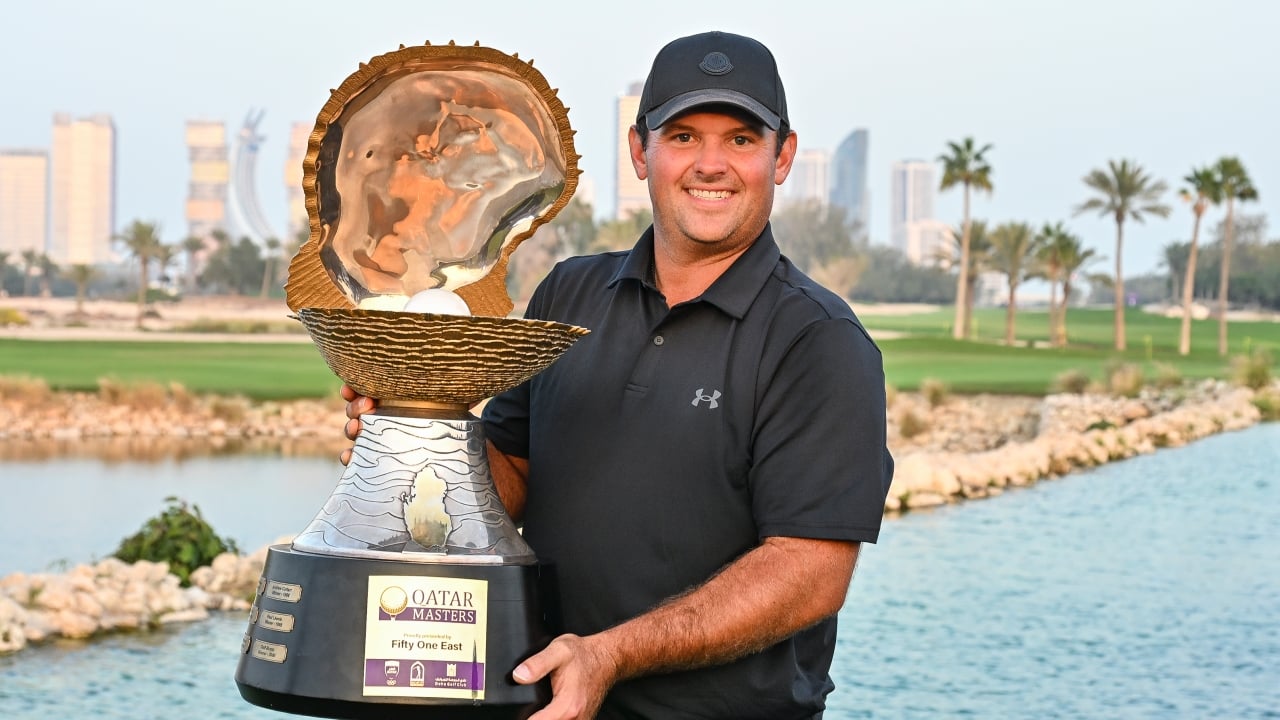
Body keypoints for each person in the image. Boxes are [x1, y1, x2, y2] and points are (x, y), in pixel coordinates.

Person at [343, 30, 893, 720]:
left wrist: (610, 654)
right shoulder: (569, 293)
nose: (712, 165)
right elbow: (510, 474)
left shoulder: (818, 340)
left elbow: (808, 572)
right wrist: (414, 430)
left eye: (743, 140)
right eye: (684, 136)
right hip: (540, 702)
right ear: (640, 151)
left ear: (782, 157)